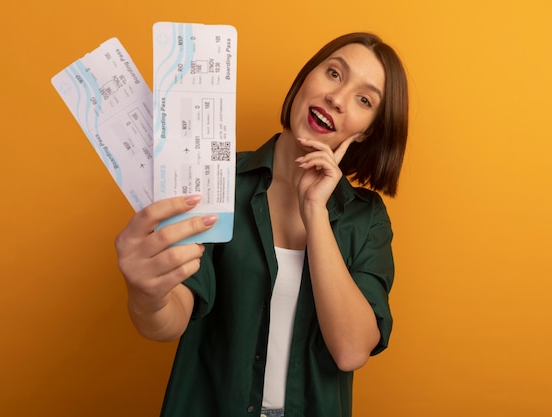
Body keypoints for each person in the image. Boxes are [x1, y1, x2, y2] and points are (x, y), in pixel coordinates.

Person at [115, 31, 409, 417]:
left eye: (364, 99)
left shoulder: (365, 217)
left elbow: (351, 351)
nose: (336, 98)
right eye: (334, 74)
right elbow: (170, 319)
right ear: (306, 78)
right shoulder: (217, 181)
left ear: (367, 130)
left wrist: (315, 212)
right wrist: (146, 295)